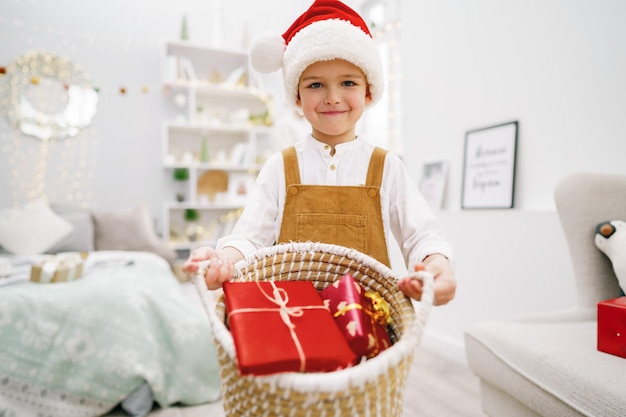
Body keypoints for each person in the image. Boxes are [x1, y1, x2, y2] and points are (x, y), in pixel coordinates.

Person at [183, 0, 456, 306]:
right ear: (297, 97)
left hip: (369, 319)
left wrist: (436, 266)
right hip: (295, 317)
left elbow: (420, 235)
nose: (332, 97)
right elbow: (249, 238)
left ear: (368, 92)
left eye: (348, 82)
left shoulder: (387, 167)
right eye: (316, 85)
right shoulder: (280, 167)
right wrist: (223, 260)